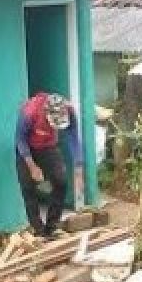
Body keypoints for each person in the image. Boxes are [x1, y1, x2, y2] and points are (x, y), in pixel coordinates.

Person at [15, 92, 83, 238]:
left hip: (48, 147)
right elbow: (20, 140)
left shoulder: (69, 110)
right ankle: (38, 230)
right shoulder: (30, 112)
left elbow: (73, 138)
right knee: (28, 187)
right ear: (47, 113)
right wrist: (32, 166)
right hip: (27, 148)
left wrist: (78, 170)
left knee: (61, 182)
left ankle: (52, 227)